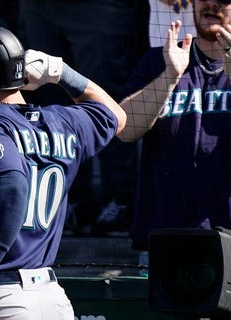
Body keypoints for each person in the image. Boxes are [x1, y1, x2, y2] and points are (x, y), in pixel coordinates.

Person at [0, 24, 127, 320]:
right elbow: (117, 115)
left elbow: (12, 186)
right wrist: (61, 72)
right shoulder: (62, 120)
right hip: (50, 297)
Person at [17, 0, 149, 236]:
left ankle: (120, 201)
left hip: (99, 9)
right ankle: (71, 200)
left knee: (106, 96)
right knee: (48, 94)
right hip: (39, 8)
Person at [119, 0, 231, 276]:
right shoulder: (162, 58)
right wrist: (169, 77)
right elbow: (125, 129)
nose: (212, 4)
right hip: (165, 233)